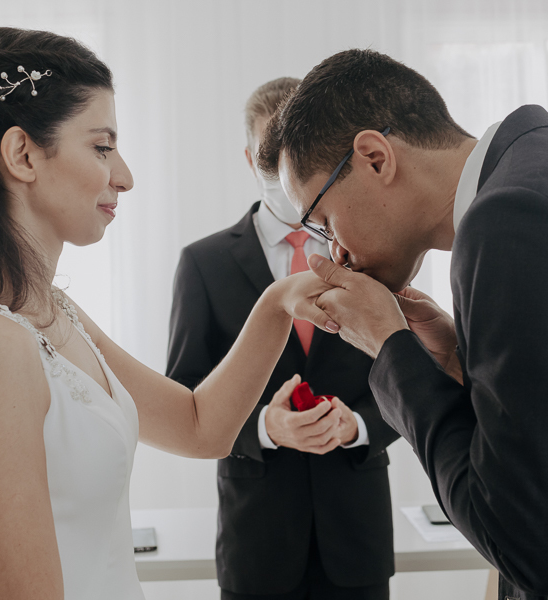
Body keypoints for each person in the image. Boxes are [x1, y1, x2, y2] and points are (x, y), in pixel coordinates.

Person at [0, 28, 336, 600]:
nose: (125, 176)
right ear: (22, 155)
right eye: (101, 146)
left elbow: (200, 426)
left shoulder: (49, 310)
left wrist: (278, 302)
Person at [257, 49, 548, 600]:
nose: (337, 251)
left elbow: (524, 542)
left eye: (323, 219)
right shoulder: (546, 175)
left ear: (375, 158)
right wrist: (456, 360)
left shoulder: (511, 218)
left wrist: (389, 349)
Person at [167, 77, 399, 600]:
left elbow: (404, 375)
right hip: (258, 543)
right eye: (272, 158)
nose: (286, 171)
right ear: (250, 160)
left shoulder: (372, 257)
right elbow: (183, 392)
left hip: (356, 537)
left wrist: (357, 424)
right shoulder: (203, 264)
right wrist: (264, 426)